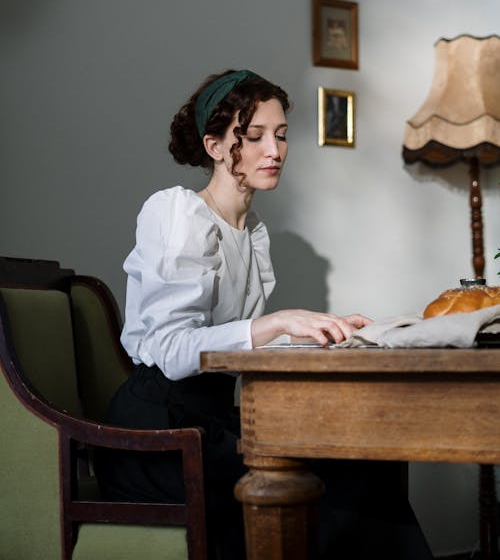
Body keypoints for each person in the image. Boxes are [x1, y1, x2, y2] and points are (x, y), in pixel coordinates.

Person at [95, 69, 434, 560]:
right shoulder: (176, 214)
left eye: (279, 135)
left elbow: (234, 347)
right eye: (253, 137)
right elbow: (171, 350)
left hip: (214, 420)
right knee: (339, 485)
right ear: (214, 146)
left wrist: (326, 332)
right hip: (159, 438)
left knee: (369, 462)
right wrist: (276, 322)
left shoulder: (251, 232)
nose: (274, 151)